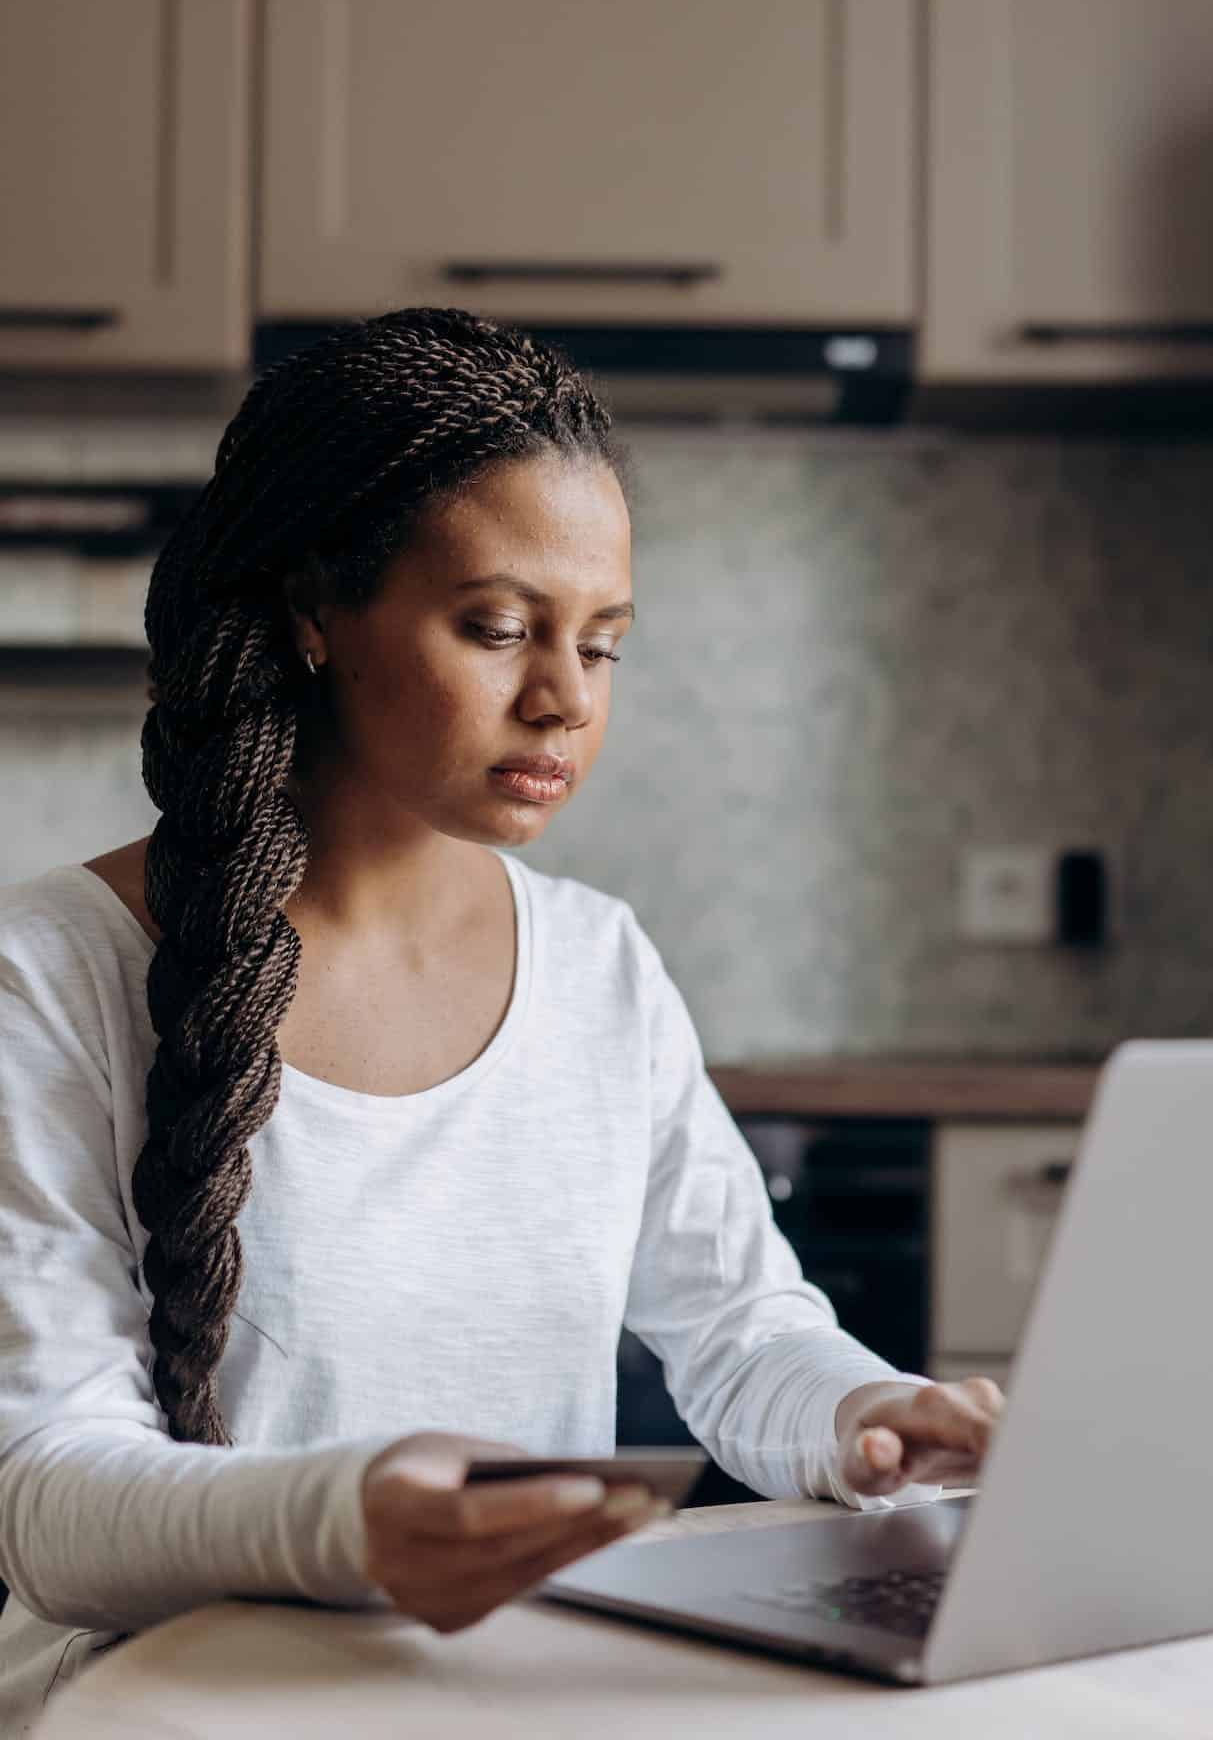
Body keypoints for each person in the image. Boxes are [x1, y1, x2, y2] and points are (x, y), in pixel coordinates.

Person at [0, 308, 1003, 1727]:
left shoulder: (600, 966)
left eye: (603, 647)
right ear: (313, 612)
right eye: (499, 627)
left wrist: (862, 1418)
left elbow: (742, 1330)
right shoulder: (49, 975)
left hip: (514, 1704)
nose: (560, 702)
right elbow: (47, 1495)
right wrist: (352, 1522)